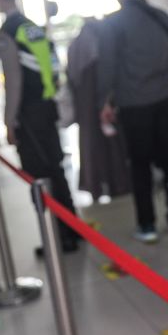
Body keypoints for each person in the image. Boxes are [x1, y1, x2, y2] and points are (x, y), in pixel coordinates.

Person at [0, 0, 79, 253]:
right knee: (55, 169)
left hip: (28, 114)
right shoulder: (32, 27)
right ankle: (72, 229)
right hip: (46, 108)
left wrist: (8, 120)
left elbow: (13, 81)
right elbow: (52, 70)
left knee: (39, 176)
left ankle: (58, 238)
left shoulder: (8, 32)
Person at [97, 0, 168, 244]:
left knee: (140, 165)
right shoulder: (161, 17)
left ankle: (147, 225)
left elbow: (108, 68)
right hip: (167, 100)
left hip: (134, 105)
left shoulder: (113, 24)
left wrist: (104, 103)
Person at [66, 18, 131, 201]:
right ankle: (117, 185)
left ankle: (95, 185)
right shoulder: (102, 45)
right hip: (106, 105)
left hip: (85, 109)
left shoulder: (75, 46)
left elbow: (71, 78)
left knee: (90, 147)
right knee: (113, 147)